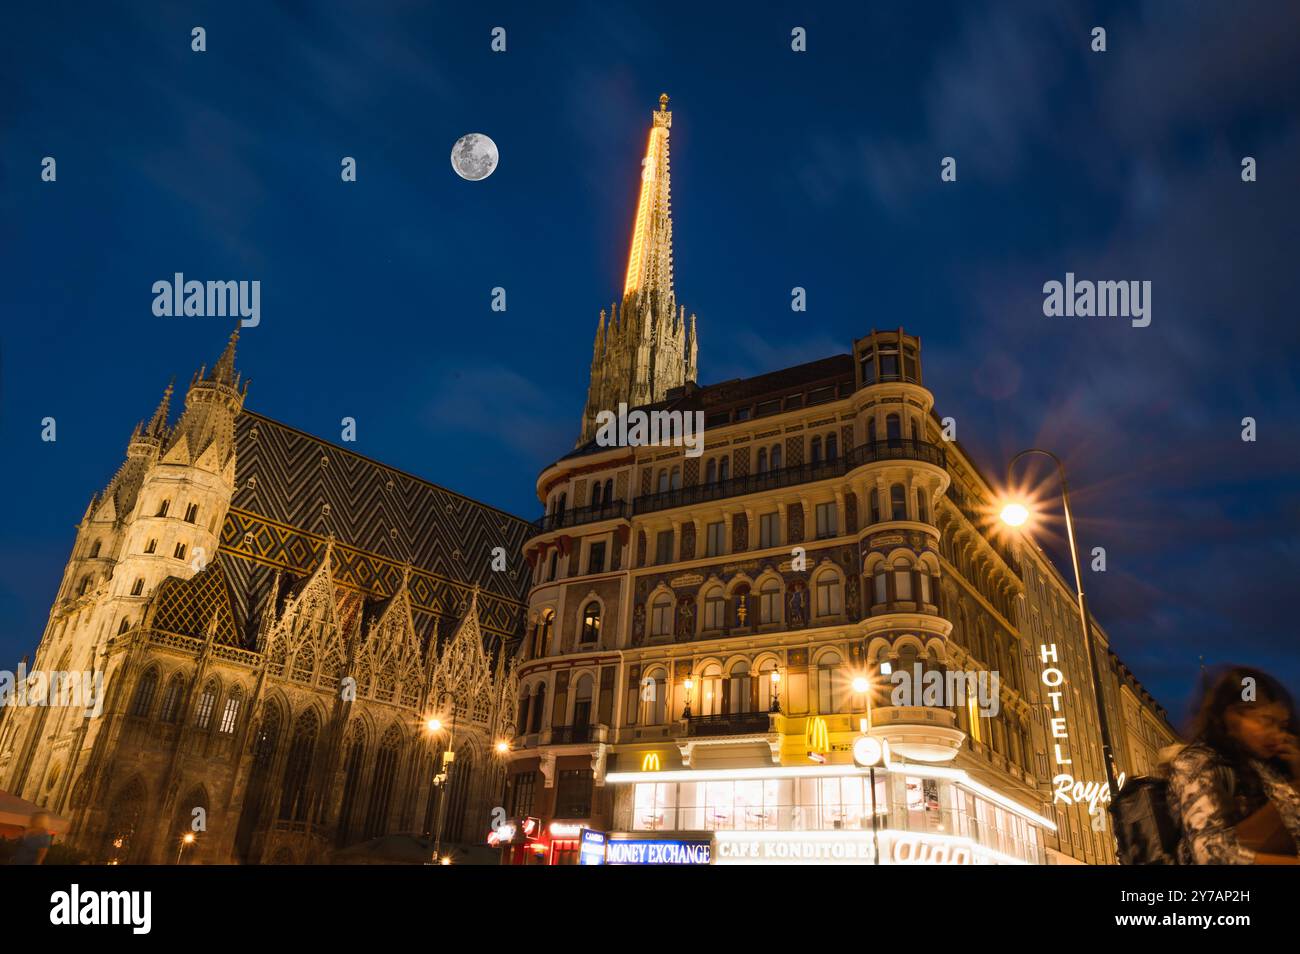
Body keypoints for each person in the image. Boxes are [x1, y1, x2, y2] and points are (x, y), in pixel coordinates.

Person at [1167, 666, 1300, 864]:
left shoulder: (1268, 770)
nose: (1277, 734)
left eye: (1281, 725)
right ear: (1232, 717)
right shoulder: (1195, 764)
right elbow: (1211, 854)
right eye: (1266, 721)